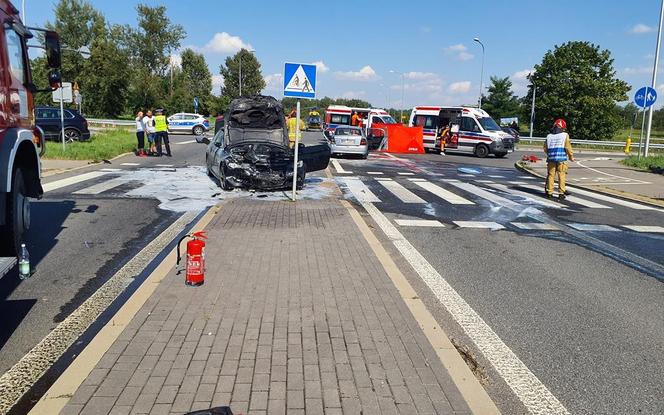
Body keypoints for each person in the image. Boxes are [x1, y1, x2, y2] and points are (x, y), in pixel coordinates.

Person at [544, 118, 574, 200]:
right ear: (563, 127)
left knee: (551, 176)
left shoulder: (549, 136)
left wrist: (550, 154)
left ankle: (549, 192)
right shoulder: (565, 135)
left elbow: (545, 148)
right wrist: (571, 157)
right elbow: (568, 147)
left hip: (551, 159)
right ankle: (561, 193)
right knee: (561, 175)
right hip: (561, 159)